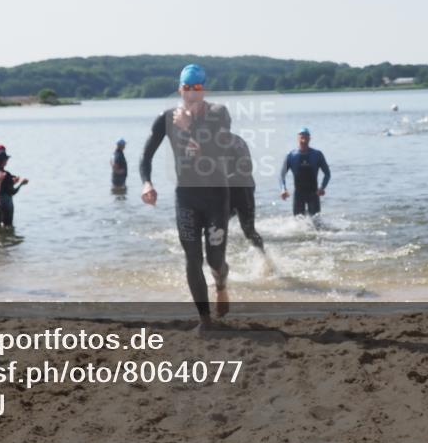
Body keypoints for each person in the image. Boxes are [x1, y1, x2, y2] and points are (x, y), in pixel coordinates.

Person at [139, 64, 233, 330]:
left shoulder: (218, 114)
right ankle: (205, 320)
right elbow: (146, 155)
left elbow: (217, 151)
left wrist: (190, 127)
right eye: (187, 87)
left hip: (216, 195)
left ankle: (222, 284)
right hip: (187, 197)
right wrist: (147, 182)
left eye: (197, 88)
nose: (191, 93)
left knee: (215, 259)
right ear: (180, 88)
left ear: (204, 89)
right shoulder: (166, 118)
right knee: (192, 257)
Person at [227, 133, 271, 263]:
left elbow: (246, 169)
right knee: (213, 229)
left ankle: (266, 262)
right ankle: (217, 269)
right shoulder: (210, 142)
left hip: (243, 190)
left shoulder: (237, 142)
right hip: (225, 193)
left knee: (249, 231)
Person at [279, 128, 331, 219]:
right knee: (297, 223)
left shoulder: (317, 154)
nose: (303, 140)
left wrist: (322, 187)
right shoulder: (291, 155)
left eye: (306, 137)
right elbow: (281, 174)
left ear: (309, 139)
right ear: (298, 138)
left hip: (314, 193)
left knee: (317, 223)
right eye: (301, 137)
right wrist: (283, 189)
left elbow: (327, 173)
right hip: (298, 194)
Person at [0, 149, 27, 226]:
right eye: (6, 159)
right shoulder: (6, 175)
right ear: (4, 161)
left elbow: (1, 187)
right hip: (6, 205)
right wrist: (21, 184)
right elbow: (12, 192)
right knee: (7, 226)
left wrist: (13, 181)